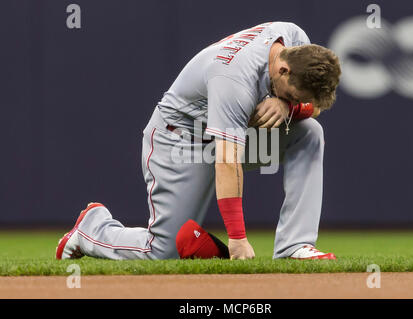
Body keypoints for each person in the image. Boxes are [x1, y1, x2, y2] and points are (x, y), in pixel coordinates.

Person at [56, 21, 341, 261]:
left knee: (310, 133)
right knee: (161, 252)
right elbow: (227, 161)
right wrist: (238, 239)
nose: (292, 102)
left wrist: (287, 107)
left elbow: (314, 108)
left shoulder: (294, 39)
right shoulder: (235, 78)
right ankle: (93, 229)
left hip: (229, 134)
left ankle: (294, 246)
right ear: (283, 71)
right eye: (291, 96)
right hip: (179, 140)